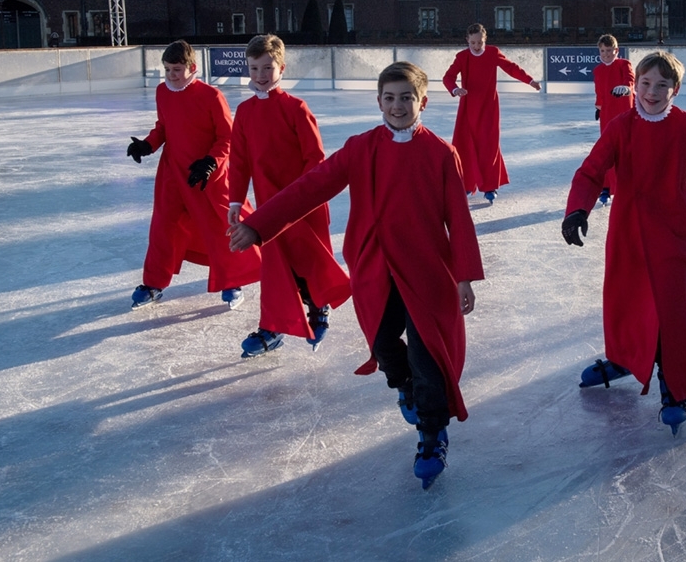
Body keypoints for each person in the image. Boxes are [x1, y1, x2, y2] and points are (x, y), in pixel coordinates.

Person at [228, 62, 483, 489]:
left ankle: (432, 434)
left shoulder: (440, 153)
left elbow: (459, 219)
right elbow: (310, 186)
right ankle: (402, 385)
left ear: (422, 101)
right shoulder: (361, 147)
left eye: (406, 98)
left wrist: (464, 276)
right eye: (389, 98)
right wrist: (260, 224)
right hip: (375, 270)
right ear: (378, 101)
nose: (397, 106)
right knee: (384, 344)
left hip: (426, 273)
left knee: (427, 357)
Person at [561, 51, 686, 436]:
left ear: (675, 90)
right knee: (629, 302)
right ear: (635, 85)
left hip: (677, 230)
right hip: (630, 232)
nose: (652, 92)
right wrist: (576, 210)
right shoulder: (621, 127)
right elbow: (590, 171)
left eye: (662, 85)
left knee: (672, 308)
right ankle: (626, 358)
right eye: (645, 84)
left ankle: (673, 385)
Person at [228, 35, 351, 357]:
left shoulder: (296, 108)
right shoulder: (243, 112)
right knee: (275, 268)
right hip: (268, 209)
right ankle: (273, 325)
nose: (261, 74)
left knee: (306, 262)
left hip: (303, 206)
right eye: (254, 68)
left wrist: (302, 196)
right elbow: (239, 162)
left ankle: (318, 308)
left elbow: (315, 158)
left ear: (280, 68)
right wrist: (236, 201)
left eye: (267, 67)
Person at [126, 39, 261, 310]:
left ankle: (233, 281)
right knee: (163, 228)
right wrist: (147, 144)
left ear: (192, 68)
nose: (171, 75)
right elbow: (163, 127)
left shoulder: (211, 96)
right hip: (173, 174)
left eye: (176, 69)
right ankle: (154, 283)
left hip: (208, 175)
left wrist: (210, 162)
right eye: (167, 69)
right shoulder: (163, 92)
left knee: (221, 227)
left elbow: (227, 136)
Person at [442, 23, 542, 204]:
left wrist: (530, 80)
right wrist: (455, 90)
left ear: (485, 39)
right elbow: (448, 77)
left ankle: (490, 186)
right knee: (464, 145)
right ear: (467, 40)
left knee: (488, 145)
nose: (476, 46)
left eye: (479, 42)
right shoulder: (462, 57)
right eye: (472, 43)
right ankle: (466, 184)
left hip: (489, 108)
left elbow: (511, 68)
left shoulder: (492, 53)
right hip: (467, 108)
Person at [591, 33, 635, 206]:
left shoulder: (624, 64)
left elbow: (630, 80)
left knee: (625, 151)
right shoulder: (598, 70)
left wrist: (626, 88)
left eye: (609, 51)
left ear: (616, 50)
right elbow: (599, 92)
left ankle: (627, 186)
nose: (606, 55)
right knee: (608, 150)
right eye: (602, 51)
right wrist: (598, 107)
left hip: (624, 114)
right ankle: (607, 187)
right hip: (607, 116)